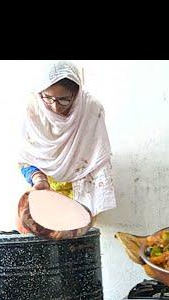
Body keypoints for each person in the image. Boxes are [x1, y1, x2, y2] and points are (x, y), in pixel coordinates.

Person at [17, 60, 116, 229]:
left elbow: (99, 158)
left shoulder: (91, 109)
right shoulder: (33, 110)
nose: (55, 107)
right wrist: (38, 179)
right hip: (44, 188)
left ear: (76, 94)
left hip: (83, 187)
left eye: (64, 100)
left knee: (75, 240)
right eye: (48, 98)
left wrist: (90, 203)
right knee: (37, 238)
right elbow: (25, 157)